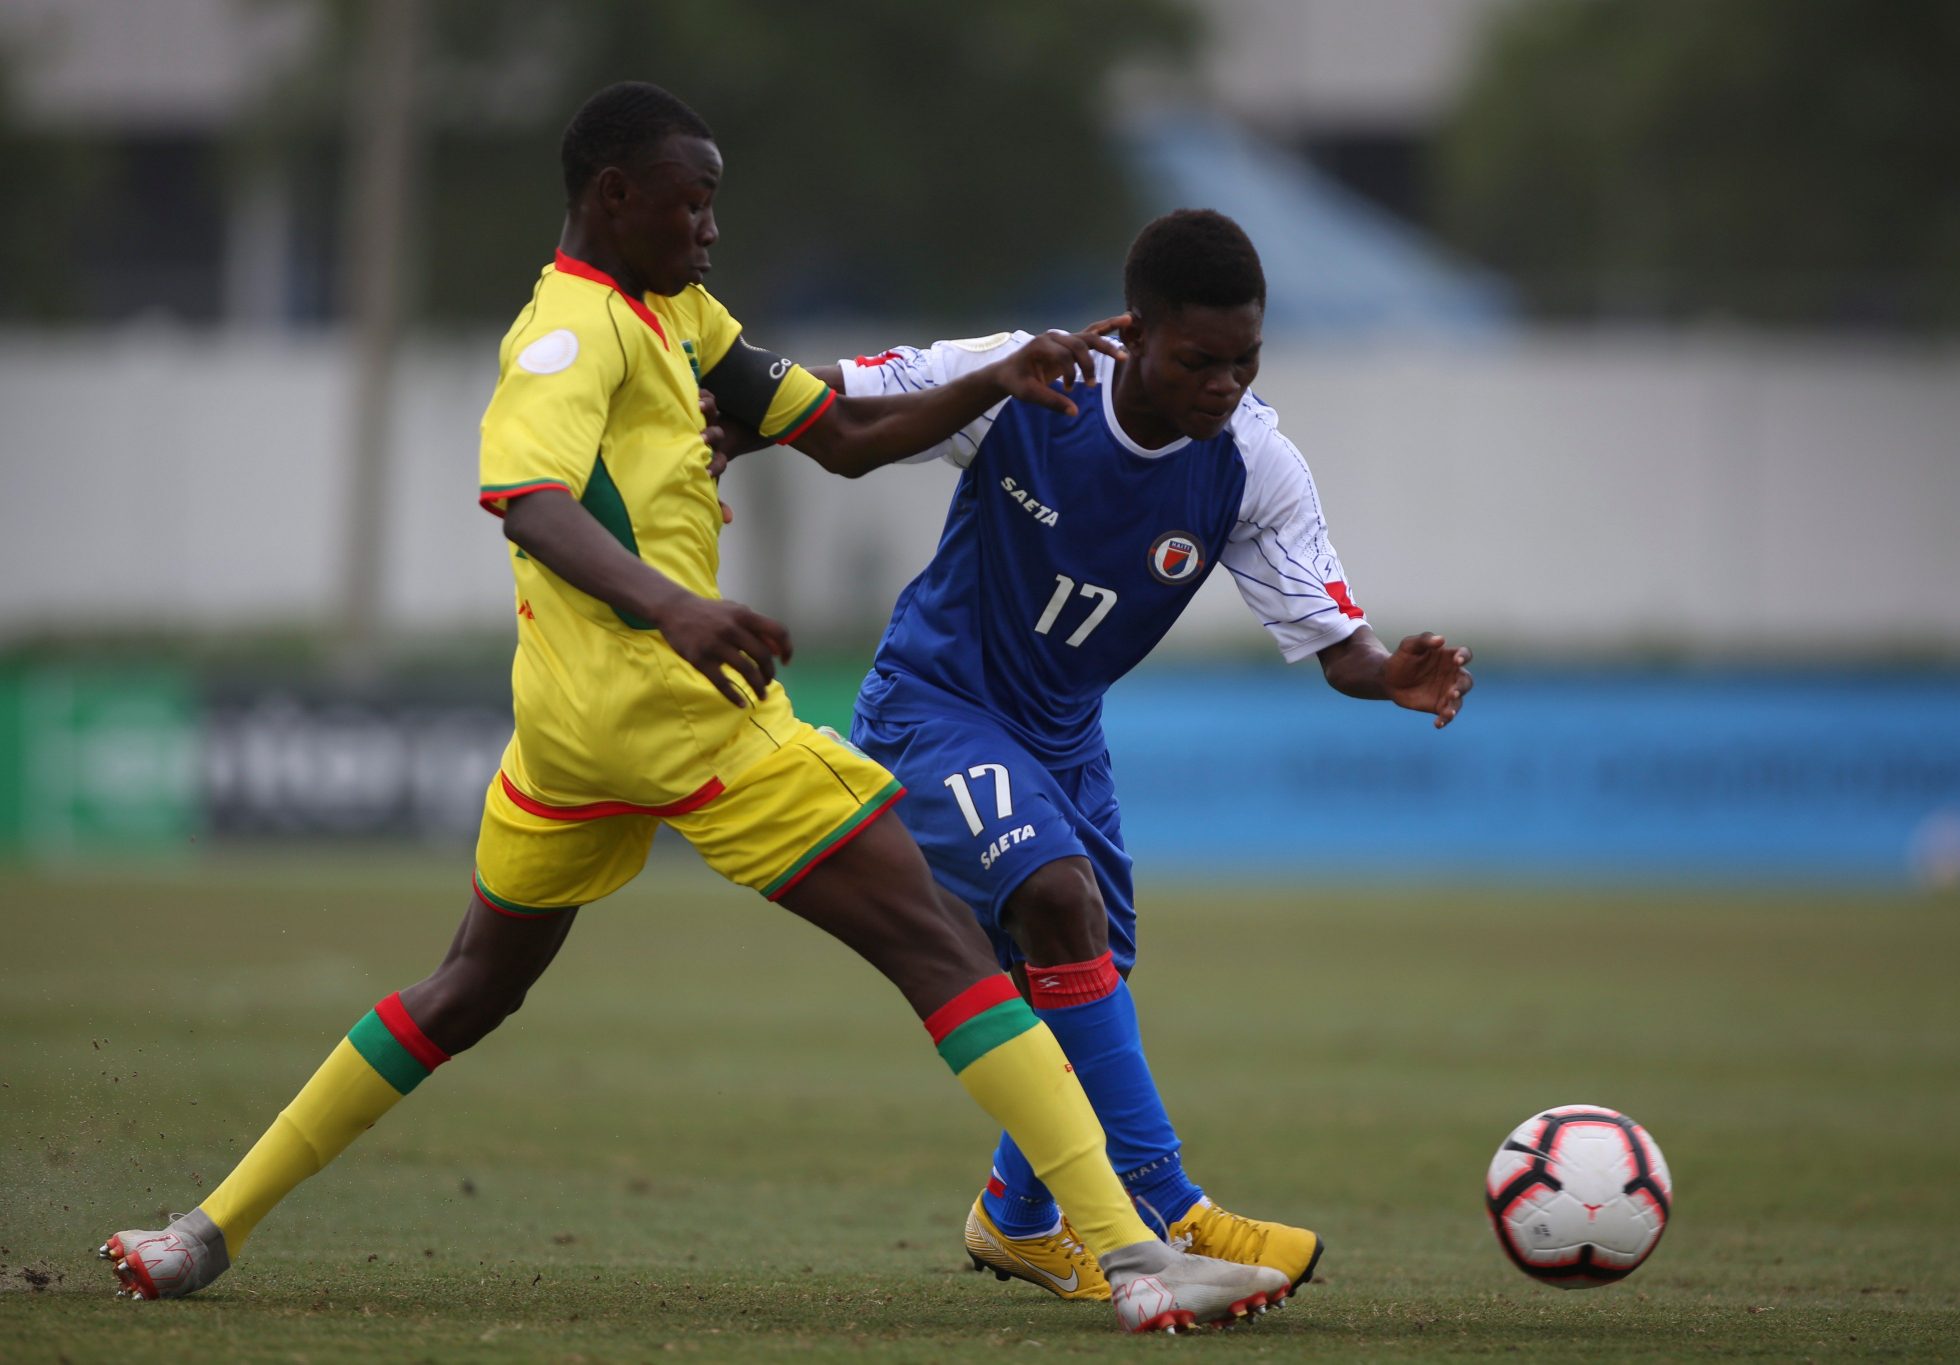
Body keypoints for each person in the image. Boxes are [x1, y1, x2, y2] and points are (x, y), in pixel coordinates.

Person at [97, 84, 1288, 1335]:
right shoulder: (567, 334)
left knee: (464, 991)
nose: (710, 228)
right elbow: (529, 499)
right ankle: (1130, 1255)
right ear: (615, 196)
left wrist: (997, 378)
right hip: (683, 718)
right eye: (693, 202)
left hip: (564, 740)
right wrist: (677, 610)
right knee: (944, 951)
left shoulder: (673, 311)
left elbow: (843, 435)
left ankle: (201, 1233)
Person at [791, 208, 1474, 1302]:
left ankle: (1015, 1220)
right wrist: (722, 408)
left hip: (1065, 737)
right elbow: (830, 395)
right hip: (933, 706)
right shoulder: (1030, 380)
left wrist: (1388, 672)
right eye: (1199, 361)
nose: (1224, 385)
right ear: (1136, 334)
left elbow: (1335, 643)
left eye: (1245, 361)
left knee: (1083, 976)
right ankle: (1173, 1204)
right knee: (1057, 904)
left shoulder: (1254, 462)